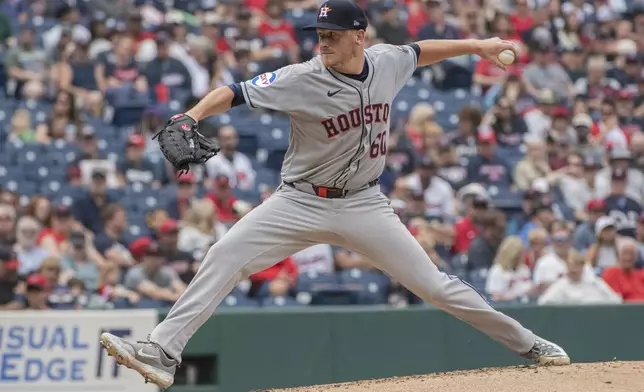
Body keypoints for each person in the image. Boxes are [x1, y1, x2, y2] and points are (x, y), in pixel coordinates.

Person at [99, 2, 570, 389]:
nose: (322, 42)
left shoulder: (386, 61)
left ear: (359, 36)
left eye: (332, 34)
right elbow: (234, 92)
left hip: (364, 203)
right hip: (299, 200)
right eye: (319, 34)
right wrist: (191, 116)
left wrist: (479, 46)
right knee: (224, 254)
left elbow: (423, 50)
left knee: (434, 286)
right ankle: (161, 351)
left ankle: (529, 343)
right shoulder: (301, 77)